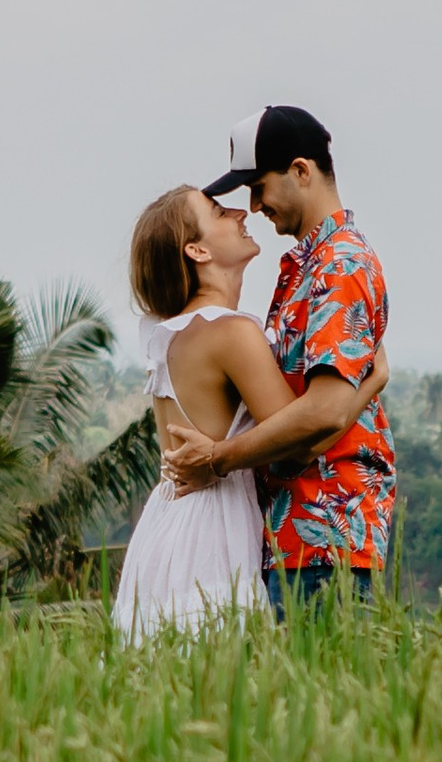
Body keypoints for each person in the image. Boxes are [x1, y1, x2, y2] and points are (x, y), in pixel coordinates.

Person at [112, 181, 387, 639]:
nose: (241, 214)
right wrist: (371, 379)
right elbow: (301, 442)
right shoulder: (231, 332)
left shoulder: (177, 333)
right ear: (197, 251)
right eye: (219, 212)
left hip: (167, 529)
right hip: (211, 532)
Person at [171, 104, 395, 606]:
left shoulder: (340, 267)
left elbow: (326, 411)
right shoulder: (306, 268)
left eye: (258, 187)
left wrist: (217, 459)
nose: (252, 206)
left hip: (325, 535)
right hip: (293, 537)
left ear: (300, 171)